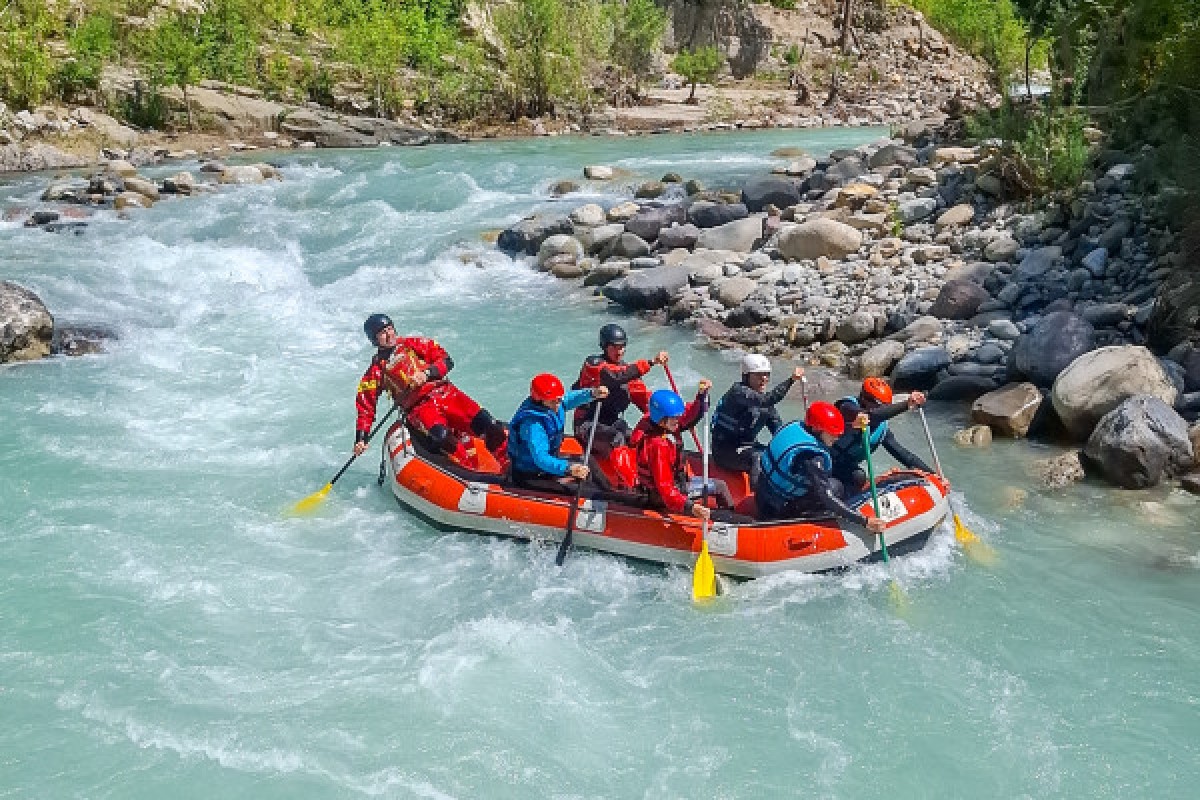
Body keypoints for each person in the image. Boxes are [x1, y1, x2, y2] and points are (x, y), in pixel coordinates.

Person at [354, 313, 507, 469]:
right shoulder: (376, 371)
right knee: (441, 436)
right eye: (382, 333)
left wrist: (427, 373)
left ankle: (508, 464)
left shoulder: (413, 344)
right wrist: (361, 438)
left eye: (390, 329)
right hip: (420, 408)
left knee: (490, 425)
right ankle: (468, 470)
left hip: (446, 393)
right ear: (375, 340)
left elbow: (447, 361)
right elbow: (365, 405)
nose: (389, 335)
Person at [753, 400, 887, 535]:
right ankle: (811, 519)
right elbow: (826, 496)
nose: (838, 437)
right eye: (834, 433)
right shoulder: (812, 458)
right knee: (836, 487)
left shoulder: (797, 427)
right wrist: (865, 521)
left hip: (763, 495)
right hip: (780, 509)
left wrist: (851, 425)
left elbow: (826, 429)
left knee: (850, 478)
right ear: (817, 429)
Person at [571, 323, 668, 486]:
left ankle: (657, 479)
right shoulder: (593, 365)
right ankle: (631, 486)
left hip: (612, 423)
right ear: (604, 346)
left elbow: (644, 398)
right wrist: (650, 362)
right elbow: (615, 376)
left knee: (638, 438)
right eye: (615, 347)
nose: (620, 351)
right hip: (588, 425)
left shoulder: (627, 371)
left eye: (622, 346)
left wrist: (665, 417)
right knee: (617, 438)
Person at [631, 385, 733, 519]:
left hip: (677, 483)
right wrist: (689, 506)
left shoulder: (665, 426)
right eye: (674, 418)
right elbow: (665, 488)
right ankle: (728, 521)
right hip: (662, 495)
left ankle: (725, 516)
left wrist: (701, 396)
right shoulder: (657, 445)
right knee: (720, 486)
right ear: (661, 419)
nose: (678, 420)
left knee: (719, 485)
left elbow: (689, 415)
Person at [710, 353, 805, 486]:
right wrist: (791, 380)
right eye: (758, 375)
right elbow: (766, 400)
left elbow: (779, 431)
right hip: (725, 451)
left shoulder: (766, 406)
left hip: (748, 447)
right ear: (746, 376)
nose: (764, 379)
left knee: (777, 455)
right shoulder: (737, 392)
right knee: (758, 457)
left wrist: (796, 449)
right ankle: (756, 499)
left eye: (766, 375)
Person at [508, 373, 609, 492]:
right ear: (540, 400)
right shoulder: (532, 425)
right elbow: (541, 458)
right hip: (532, 474)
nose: (557, 404)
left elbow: (570, 398)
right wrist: (569, 469)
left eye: (558, 400)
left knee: (588, 461)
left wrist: (592, 393)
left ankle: (609, 492)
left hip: (548, 465)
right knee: (580, 489)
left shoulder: (555, 403)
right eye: (553, 402)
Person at [829, 377, 932, 492]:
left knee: (859, 476)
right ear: (864, 399)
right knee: (836, 486)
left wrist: (932, 475)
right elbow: (871, 416)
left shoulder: (881, 429)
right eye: (879, 406)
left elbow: (904, 455)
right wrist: (906, 405)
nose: (883, 410)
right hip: (823, 463)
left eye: (886, 407)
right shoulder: (846, 407)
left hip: (845, 469)